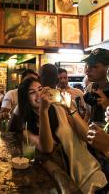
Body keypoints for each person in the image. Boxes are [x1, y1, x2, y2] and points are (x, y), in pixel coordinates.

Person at [16, 64, 107, 193]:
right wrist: (43, 112)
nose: (38, 95)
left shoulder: (60, 109)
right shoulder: (27, 129)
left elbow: (86, 135)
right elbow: (47, 147)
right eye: (32, 93)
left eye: (40, 89)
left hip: (90, 176)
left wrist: (70, 108)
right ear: (25, 99)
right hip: (64, 186)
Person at [83, 48, 109, 123]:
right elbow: (88, 114)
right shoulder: (90, 87)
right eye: (88, 66)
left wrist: (107, 106)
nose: (87, 70)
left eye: (94, 66)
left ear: (107, 68)